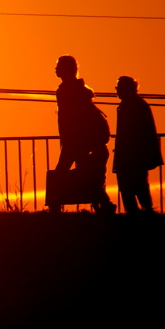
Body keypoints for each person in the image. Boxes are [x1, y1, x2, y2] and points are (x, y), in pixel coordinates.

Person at [51, 55, 116, 214]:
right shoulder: (79, 90)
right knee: (87, 175)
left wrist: (68, 139)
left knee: (61, 173)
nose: (56, 69)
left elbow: (69, 118)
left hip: (76, 140)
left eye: (59, 66)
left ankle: (54, 207)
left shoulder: (67, 90)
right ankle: (104, 205)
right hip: (81, 141)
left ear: (65, 69)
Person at [112, 75, 163, 214]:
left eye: (119, 88)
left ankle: (138, 210)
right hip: (133, 153)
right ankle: (141, 209)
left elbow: (134, 132)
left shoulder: (132, 105)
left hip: (133, 154)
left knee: (132, 183)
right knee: (136, 182)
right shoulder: (135, 104)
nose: (117, 91)